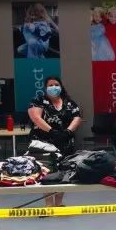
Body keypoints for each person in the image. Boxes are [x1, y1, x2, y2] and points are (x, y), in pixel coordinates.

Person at [27, 76, 82, 208]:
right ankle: (48, 204)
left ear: (61, 86)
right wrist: (52, 131)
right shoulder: (39, 101)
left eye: (56, 84)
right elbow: (36, 117)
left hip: (65, 143)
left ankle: (59, 203)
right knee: (47, 172)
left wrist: (68, 132)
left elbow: (77, 117)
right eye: (50, 85)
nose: (53, 87)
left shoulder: (69, 103)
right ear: (45, 88)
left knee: (64, 172)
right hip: (45, 143)